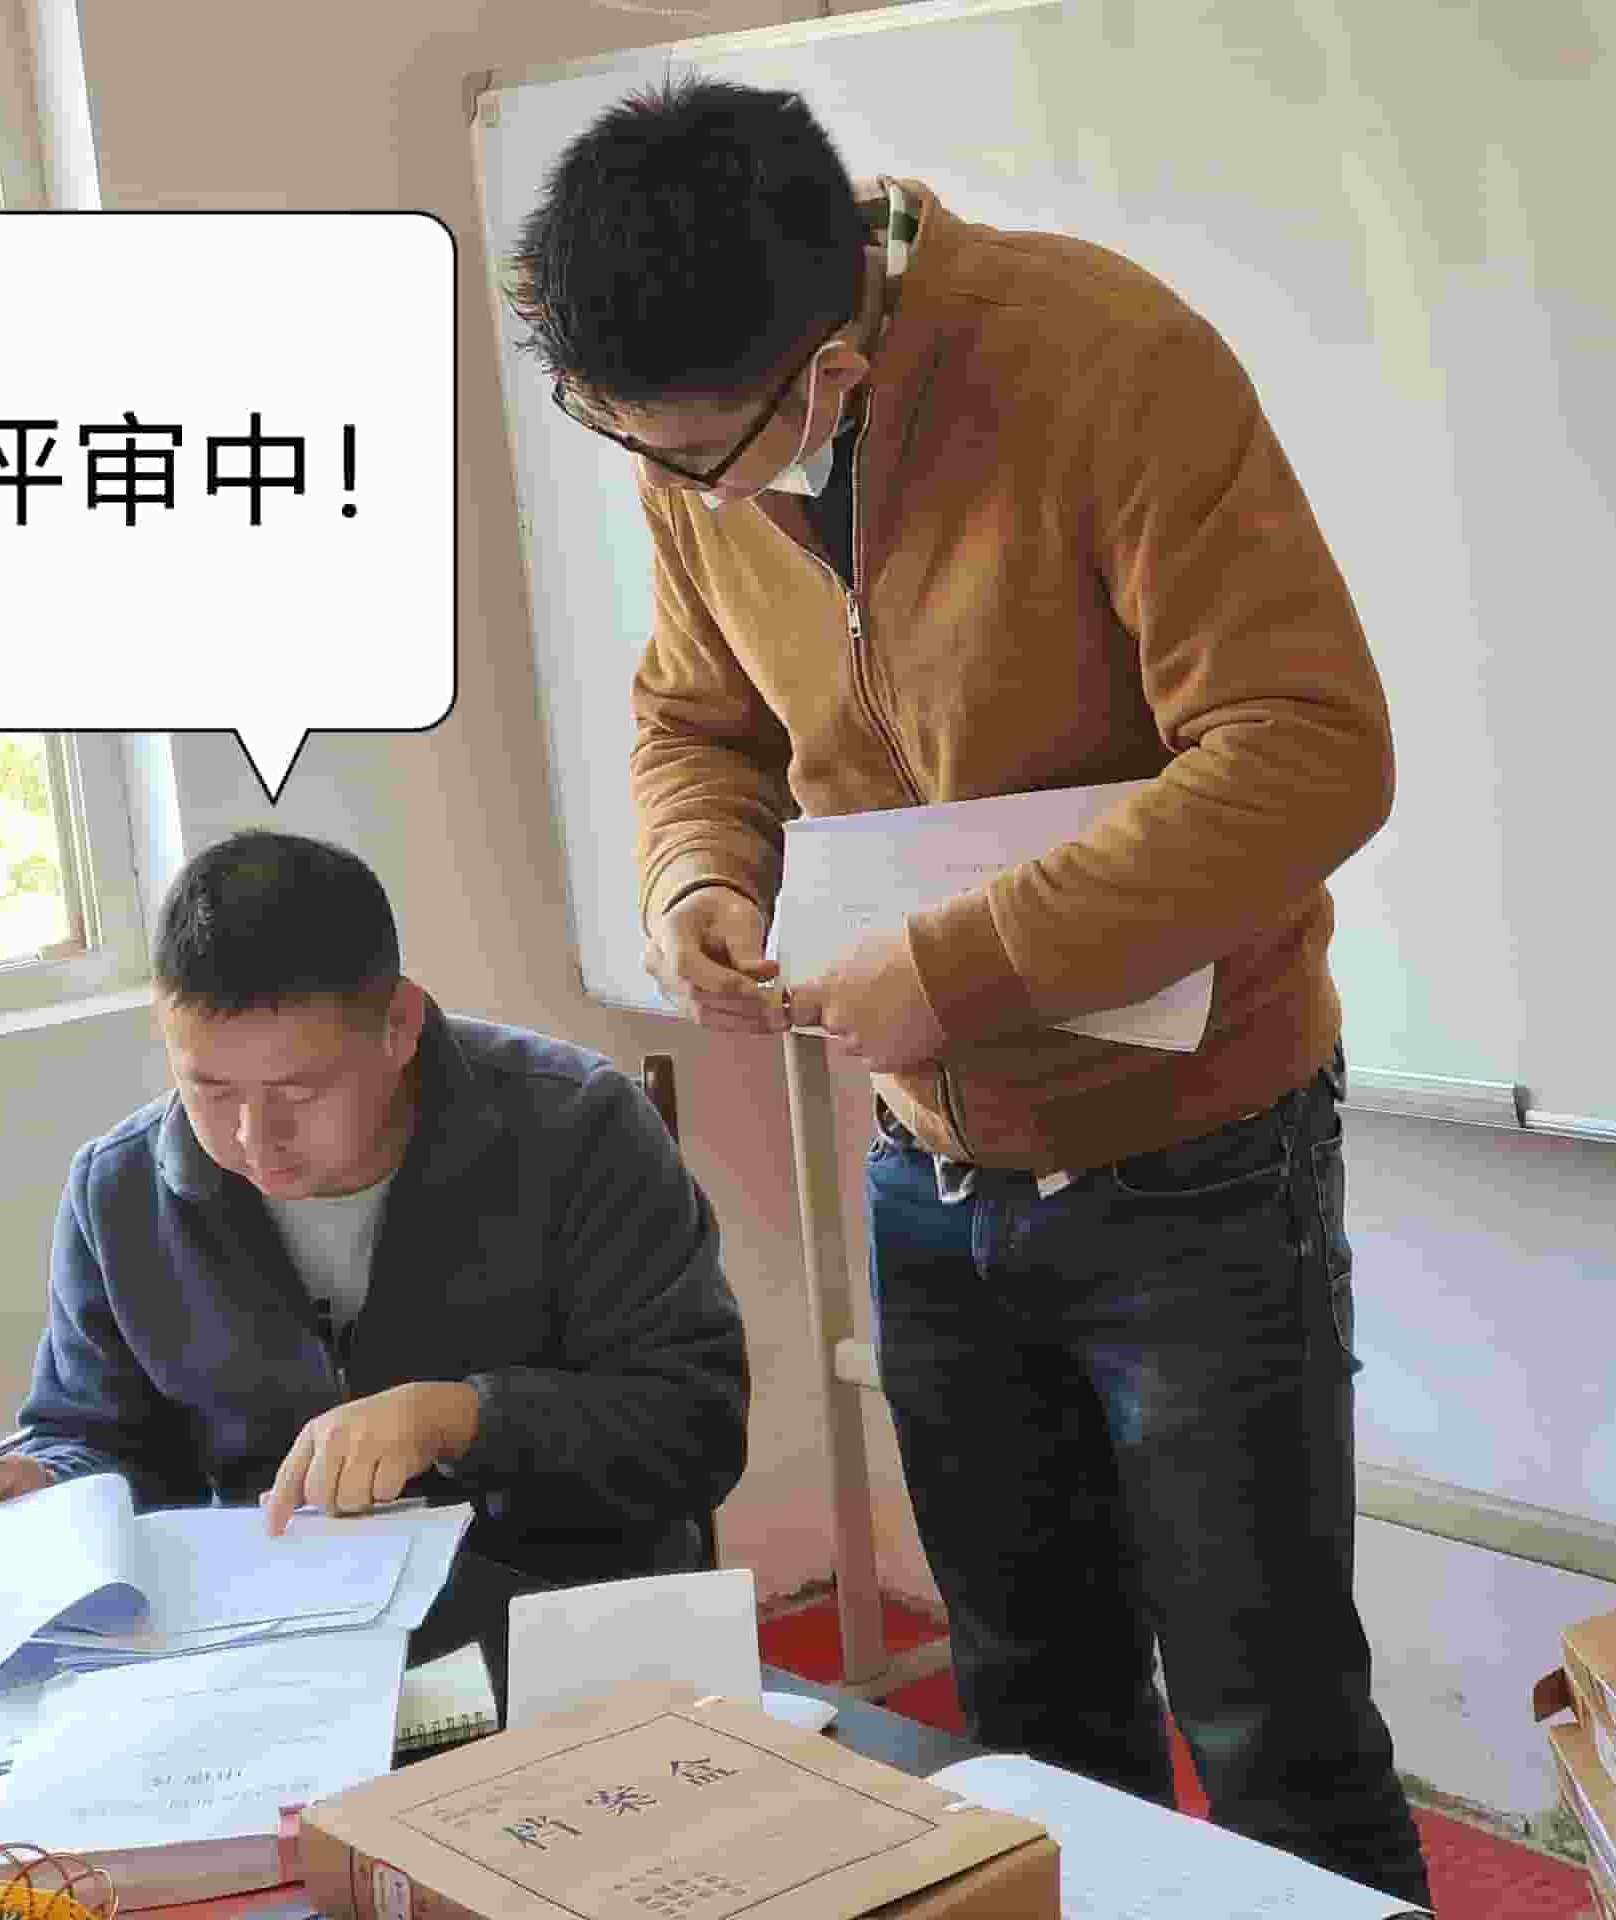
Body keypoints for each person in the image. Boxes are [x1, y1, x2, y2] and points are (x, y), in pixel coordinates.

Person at [505, 79, 1431, 1905]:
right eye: (634, 452)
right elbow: (697, 719)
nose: (678, 493)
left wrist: (963, 963)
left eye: (696, 457)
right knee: (1027, 1717)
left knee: (1272, 1731)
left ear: (834, 360)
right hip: (929, 1173)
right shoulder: (703, 449)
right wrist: (700, 879)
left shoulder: (1105, 362)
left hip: (1200, 1161)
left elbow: (1309, 752)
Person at [0, 830, 748, 1715]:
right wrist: (45, 1483)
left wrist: (464, 1418)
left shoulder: (579, 1130)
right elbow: (105, 1442)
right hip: (279, 1670)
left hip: (568, 1634)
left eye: (299, 1091)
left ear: (399, 1025)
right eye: (210, 1089)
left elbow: (699, 1427)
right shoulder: (119, 1192)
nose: (254, 1140)